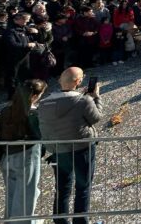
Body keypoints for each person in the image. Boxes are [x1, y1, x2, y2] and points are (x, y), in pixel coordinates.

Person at [37, 67, 103, 224]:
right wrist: (96, 97)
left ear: (60, 80)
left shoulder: (44, 103)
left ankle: (60, 221)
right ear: (78, 82)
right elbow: (96, 117)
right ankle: (80, 221)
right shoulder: (83, 100)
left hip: (58, 151)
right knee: (83, 187)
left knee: (62, 189)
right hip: (82, 149)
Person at [0, 79, 48, 224]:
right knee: (26, 195)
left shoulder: (7, 110)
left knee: (12, 193)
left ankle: (11, 221)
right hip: (28, 156)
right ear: (34, 96)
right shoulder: (34, 114)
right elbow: (41, 135)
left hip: (7, 155)